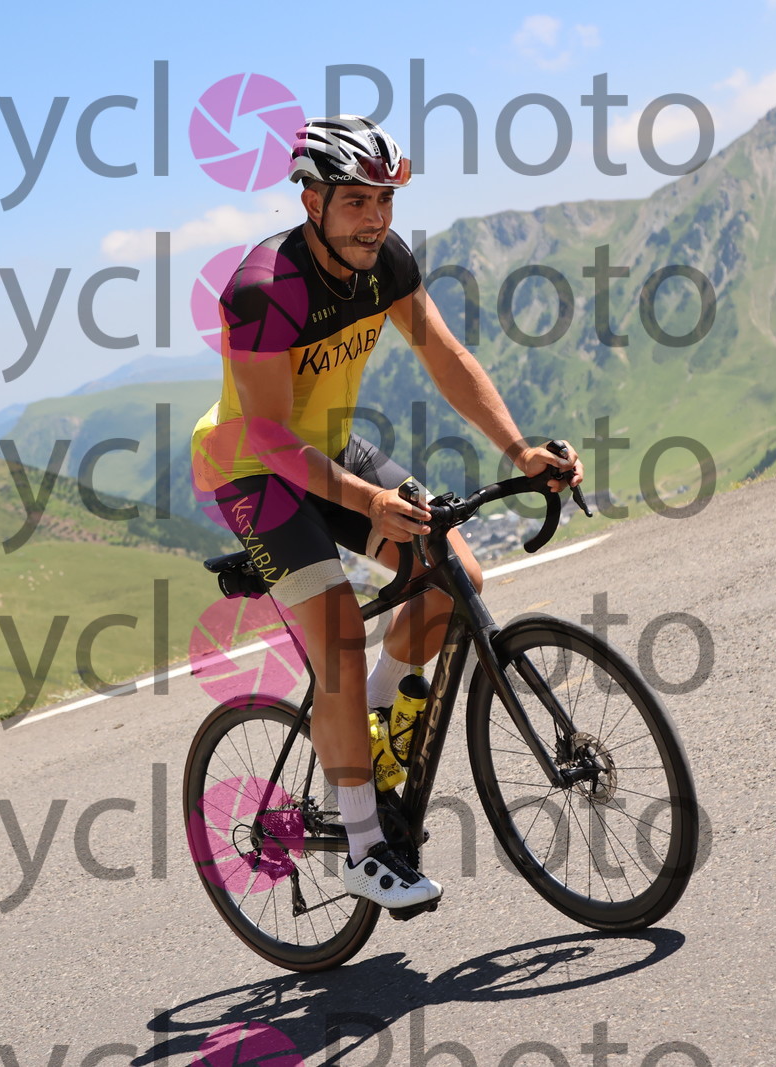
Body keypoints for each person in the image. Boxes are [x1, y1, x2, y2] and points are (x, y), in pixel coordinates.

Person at [190, 115, 583, 911]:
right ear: (312, 201)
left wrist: (519, 451)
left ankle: (369, 714)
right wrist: (370, 500)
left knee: (455, 574)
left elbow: (446, 356)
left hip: (334, 449)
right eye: (356, 201)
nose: (376, 218)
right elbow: (268, 436)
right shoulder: (264, 289)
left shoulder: (387, 262)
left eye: (385, 199)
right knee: (337, 630)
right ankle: (364, 845)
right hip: (254, 470)